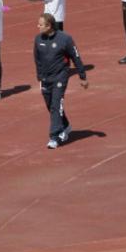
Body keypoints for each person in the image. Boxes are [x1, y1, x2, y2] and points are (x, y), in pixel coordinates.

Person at [33, 12, 88, 149]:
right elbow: (37, 59)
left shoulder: (65, 39)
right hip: (45, 78)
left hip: (60, 77)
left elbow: (76, 57)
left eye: (40, 24)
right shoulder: (38, 39)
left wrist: (82, 76)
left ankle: (55, 136)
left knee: (56, 105)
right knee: (51, 106)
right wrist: (39, 76)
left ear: (49, 26)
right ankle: (66, 126)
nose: (37, 26)